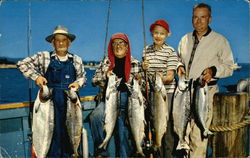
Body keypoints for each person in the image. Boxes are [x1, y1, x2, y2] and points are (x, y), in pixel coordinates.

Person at [17, 25, 86, 157]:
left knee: (70, 138)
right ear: (53, 42)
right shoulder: (44, 57)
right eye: (57, 40)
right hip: (49, 105)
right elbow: (22, 64)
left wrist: (78, 83)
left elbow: (83, 77)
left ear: (69, 42)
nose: (60, 43)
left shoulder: (76, 60)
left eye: (64, 40)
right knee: (50, 138)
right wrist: (36, 77)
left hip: (71, 105)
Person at [177, 3, 234, 158]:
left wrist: (213, 71)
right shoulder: (184, 39)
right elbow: (178, 60)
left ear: (210, 19)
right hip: (185, 93)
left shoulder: (220, 40)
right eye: (195, 17)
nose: (199, 21)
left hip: (205, 92)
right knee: (184, 135)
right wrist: (179, 67)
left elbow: (229, 67)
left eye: (203, 17)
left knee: (198, 138)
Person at [89, 33, 144, 158]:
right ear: (111, 46)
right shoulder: (106, 61)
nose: (118, 46)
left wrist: (140, 80)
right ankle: (101, 152)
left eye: (121, 43)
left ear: (126, 46)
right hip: (109, 101)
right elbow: (94, 80)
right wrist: (105, 76)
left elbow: (143, 85)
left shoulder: (135, 62)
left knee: (123, 132)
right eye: (115, 43)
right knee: (95, 116)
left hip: (129, 102)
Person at [142, 19, 179, 158]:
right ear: (152, 33)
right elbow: (144, 74)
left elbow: (170, 76)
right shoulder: (146, 50)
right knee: (153, 125)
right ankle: (156, 151)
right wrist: (144, 68)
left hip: (166, 94)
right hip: (152, 94)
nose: (158, 36)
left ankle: (168, 155)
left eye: (162, 33)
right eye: (156, 33)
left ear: (167, 35)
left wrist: (159, 79)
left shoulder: (170, 51)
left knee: (167, 128)